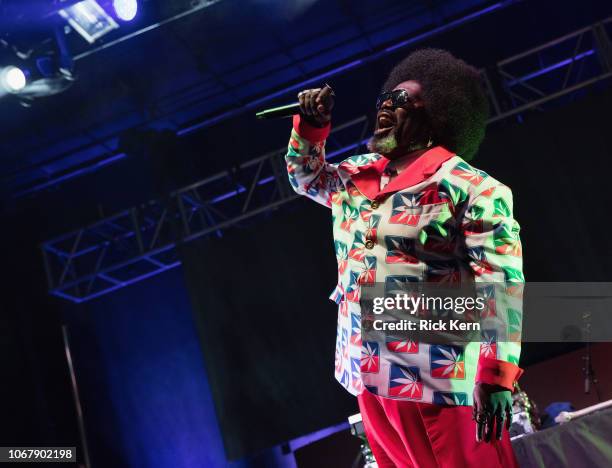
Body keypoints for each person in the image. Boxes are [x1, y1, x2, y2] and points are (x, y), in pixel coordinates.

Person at [285, 48, 524, 467]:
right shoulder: (356, 176)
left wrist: (497, 372)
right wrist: (313, 127)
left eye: (400, 102)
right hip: (369, 376)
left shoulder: (470, 187)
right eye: (383, 100)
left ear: (434, 116)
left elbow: (501, 284)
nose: (385, 108)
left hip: (439, 379)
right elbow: (307, 177)